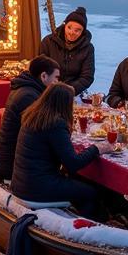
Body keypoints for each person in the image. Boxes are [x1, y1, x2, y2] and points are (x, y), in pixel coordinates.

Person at [10, 82, 102, 219]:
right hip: (37, 189)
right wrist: (97, 148)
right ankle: (87, 231)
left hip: (21, 183)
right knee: (90, 192)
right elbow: (73, 164)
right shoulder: (56, 124)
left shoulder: (33, 115)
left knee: (78, 184)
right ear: (64, 104)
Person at [0, 55, 60, 182]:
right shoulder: (29, 97)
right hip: (13, 168)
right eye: (56, 77)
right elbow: (44, 132)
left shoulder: (25, 89)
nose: (57, 82)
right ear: (44, 76)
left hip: (8, 161)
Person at [38, 7, 95, 96]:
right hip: (46, 91)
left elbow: (87, 76)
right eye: (69, 27)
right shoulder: (48, 42)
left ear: (83, 32)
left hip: (72, 94)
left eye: (77, 30)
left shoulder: (87, 48)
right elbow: (40, 68)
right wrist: (51, 88)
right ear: (64, 25)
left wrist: (68, 90)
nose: (72, 32)